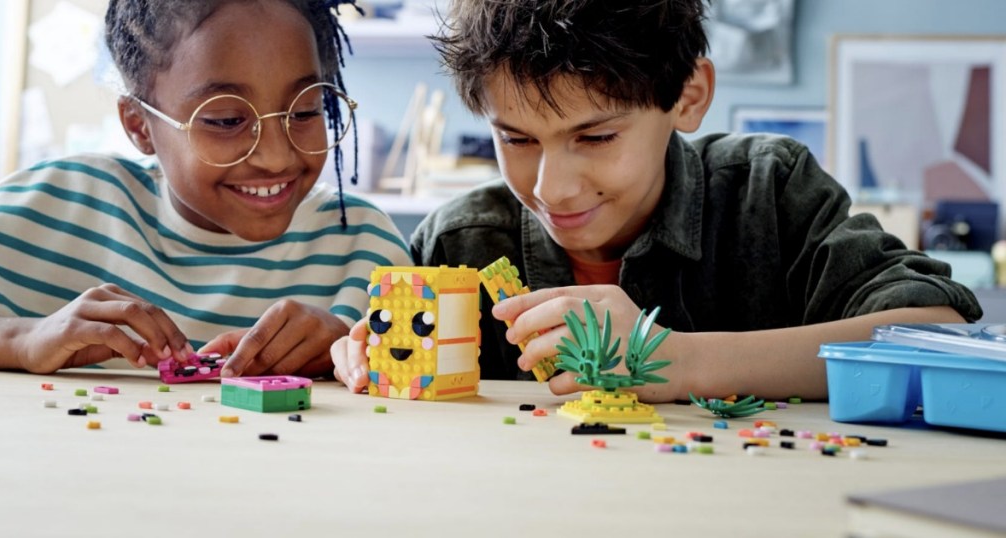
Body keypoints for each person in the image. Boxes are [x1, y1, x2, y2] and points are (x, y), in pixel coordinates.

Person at [331, 0, 982, 402]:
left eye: (597, 136)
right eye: (517, 138)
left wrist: (675, 360)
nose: (551, 188)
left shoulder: (769, 191)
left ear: (689, 97)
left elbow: (936, 332)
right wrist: (361, 355)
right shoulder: (461, 244)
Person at [0, 0, 410, 377]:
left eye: (304, 112)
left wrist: (359, 355)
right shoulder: (50, 204)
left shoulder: (364, 250)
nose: (277, 157)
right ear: (138, 124)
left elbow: (424, 381)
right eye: (225, 120)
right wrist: (23, 338)